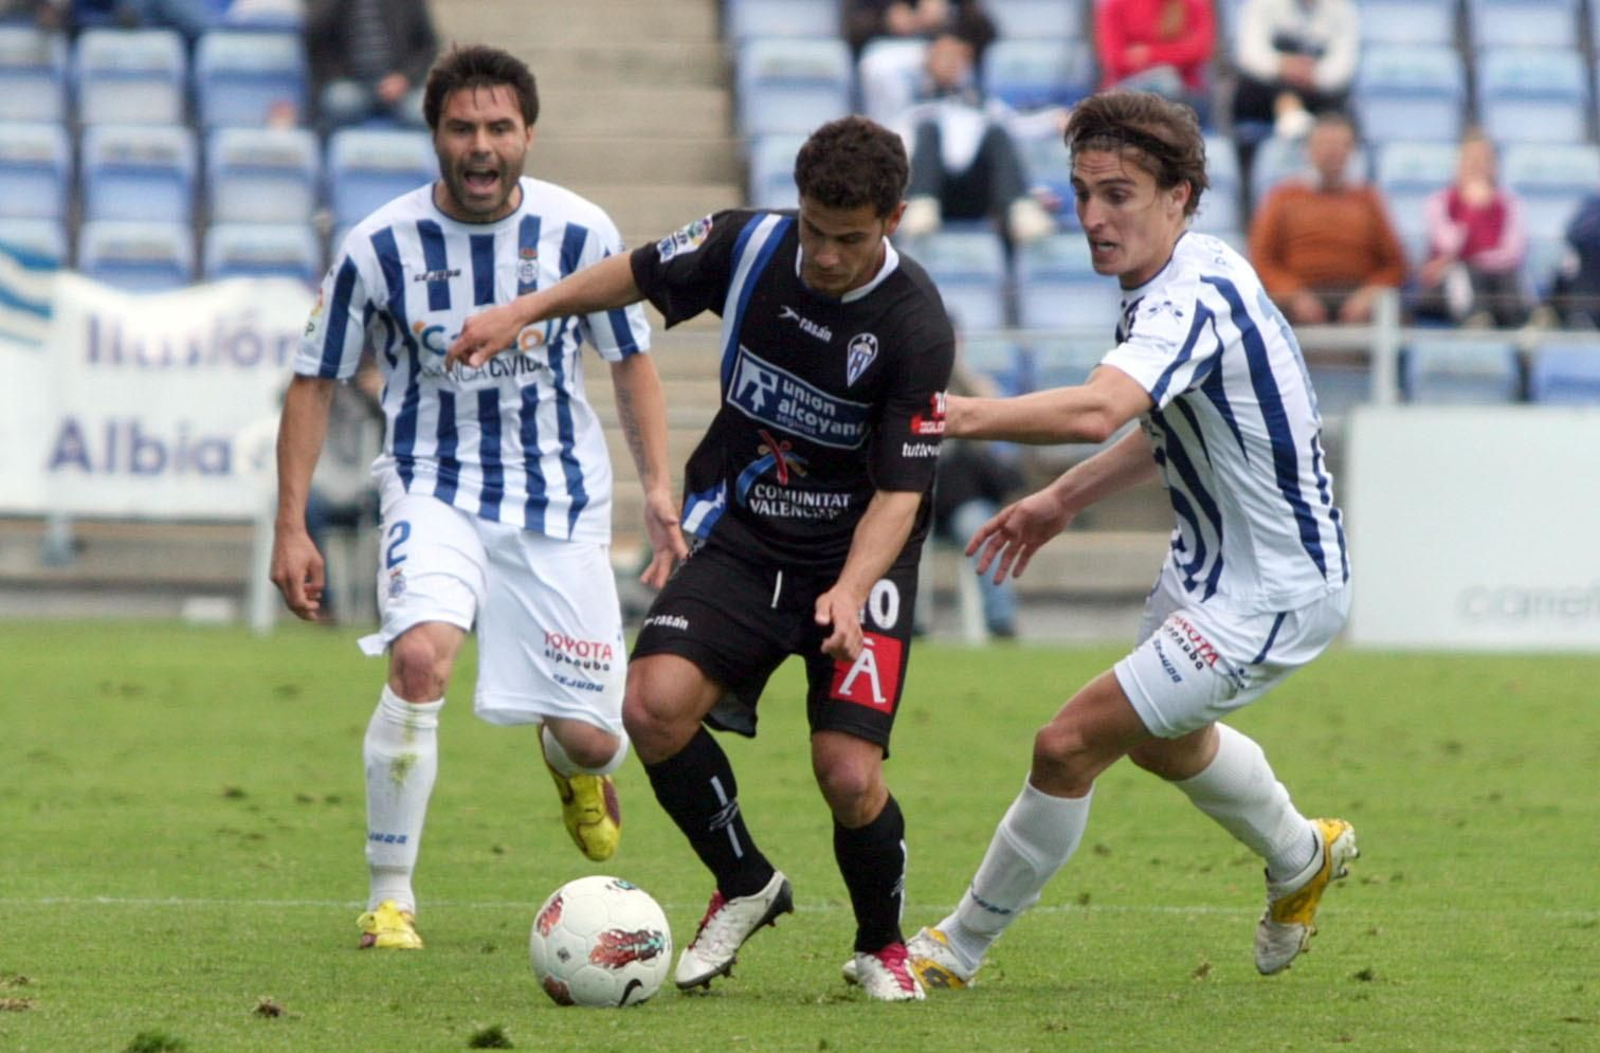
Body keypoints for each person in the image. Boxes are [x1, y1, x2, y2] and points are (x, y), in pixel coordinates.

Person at [447, 115, 957, 1002]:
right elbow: (637, 271)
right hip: (749, 535)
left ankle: (882, 944)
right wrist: (522, 311)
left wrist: (848, 589)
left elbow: (901, 491)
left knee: (846, 771)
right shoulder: (749, 244)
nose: (826, 255)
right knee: (651, 706)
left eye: (850, 239)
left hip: (858, 558)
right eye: (814, 230)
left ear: (894, 220)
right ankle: (747, 880)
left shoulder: (915, 325)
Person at [861, 89, 1356, 991]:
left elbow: (1099, 409)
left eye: (1118, 194)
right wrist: (1058, 502)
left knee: (1067, 743)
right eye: (1083, 192)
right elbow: (1161, 424)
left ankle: (954, 946)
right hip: (1208, 570)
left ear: (1181, 195)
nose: (1093, 217)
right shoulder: (1176, 277)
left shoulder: (1187, 297)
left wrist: (949, 413)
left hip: (1276, 590)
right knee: (1166, 743)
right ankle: (1301, 854)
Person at [271, 44, 685, 952]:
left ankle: (566, 761)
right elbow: (313, 378)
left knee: (595, 738)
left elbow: (631, 360)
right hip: (432, 485)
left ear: (528, 134)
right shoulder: (378, 245)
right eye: (463, 128)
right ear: (435, 137)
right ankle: (391, 898)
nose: (482, 145)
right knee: (420, 658)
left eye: (499, 127)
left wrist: (657, 488)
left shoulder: (581, 233)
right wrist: (291, 521)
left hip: (559, 503)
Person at [897, 30, 1058, 246]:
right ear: (928, 61)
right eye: (943, 56)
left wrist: (1055, 120)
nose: (951, 62)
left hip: (978, 192)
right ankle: (920, 207)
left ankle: (1021, 207)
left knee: (997, 132)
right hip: (934, 189)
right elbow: (899, 150)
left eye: (957, 56)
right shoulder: (915, 111)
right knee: (928, 130)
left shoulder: (985, 107)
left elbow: (1019, 127)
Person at [1248, 111, 1406, 325]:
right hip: (1295, 301)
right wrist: (1294, 295)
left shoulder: (1369, 199)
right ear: (1308, 149)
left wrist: (1368, 295)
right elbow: (1263, 259)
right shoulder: (1283, 197)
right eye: (1325, 144)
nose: (1333, 152)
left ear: (1351, 151)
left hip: (1357, 298)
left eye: (1341, 145)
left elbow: (1394, 264)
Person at [1413, 130, 1530, 329]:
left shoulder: (1510, 204)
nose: (1477, 165)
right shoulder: (1439, 202)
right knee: (1461, 272)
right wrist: (1472, 209)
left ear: (1495, 166)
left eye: (1484, 159)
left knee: (1506, 276)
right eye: (1471, 159)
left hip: (1495, 280)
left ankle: (1522, 334)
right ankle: (1475, 321)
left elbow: (1512, 253)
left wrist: (1473, 259)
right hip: (1446, 289)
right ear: (1458, 164)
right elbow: (1448, 245)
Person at [1228, 0, 1358, 140]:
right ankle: (1293, 119)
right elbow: (1249, 54)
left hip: (1316, 92)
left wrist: (1313, 74)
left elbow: (1344, 66)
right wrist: (1283, 65)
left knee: (1340, 108)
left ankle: (1296, 121)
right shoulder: (1261, 4)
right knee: (1258, 85)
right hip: (1266, 92)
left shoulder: (1343, 9)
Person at [305, 0, 438, 134]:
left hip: (401, 86)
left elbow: (427, 47)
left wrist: (405, 78)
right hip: (353, 84)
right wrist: (341, 76)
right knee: (339, 101)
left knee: (421, 112)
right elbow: (318, 44)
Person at [1093, 0, 1216, 121]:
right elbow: (1115, 60)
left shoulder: (1194, 3)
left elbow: (1199, 51)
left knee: (1168, 82)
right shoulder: (1115, 4)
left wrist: (1148, 53)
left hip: (1187, 95)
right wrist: (1175, 53)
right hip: (1127, 92)